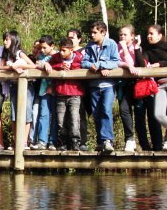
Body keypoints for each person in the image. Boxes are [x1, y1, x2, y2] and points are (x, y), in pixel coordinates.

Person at [140, 24, 167, 152]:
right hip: (159, 85)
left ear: (160, 35)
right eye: (148, 34)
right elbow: (143, 63)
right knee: (158, 114)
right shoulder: (147, 49)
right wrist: (137, 48)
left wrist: (160, 64)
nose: (149, 36)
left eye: (151, 34)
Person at [82, 21, 120, 153]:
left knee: (106, 110)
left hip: (108, 85)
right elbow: (84, 62)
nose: (92, 35)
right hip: (93, 85)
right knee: (96, 113)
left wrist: (101, 65)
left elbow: (116, 61)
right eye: (91, 32)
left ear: (103, 32)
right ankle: (100, 141)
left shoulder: (111, 44)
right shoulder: (89, 46)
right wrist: (92, 66)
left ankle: (107, 140)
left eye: (95, 32)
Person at [47, 37, 85, 150]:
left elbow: (85, 66)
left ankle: (75, 142)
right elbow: (49, 65)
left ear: (71, 50)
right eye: (60, 50)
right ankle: (62, 142)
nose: (61, 53)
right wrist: (60, 67)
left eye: (64, 50)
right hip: (60, 93)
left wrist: (72, 67)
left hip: (75, 92)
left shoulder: (79, 57)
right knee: (60, 119)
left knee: (74, 118)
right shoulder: (56, 58)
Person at [3, 30, 35, 149]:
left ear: (14, 40)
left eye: (7, 39)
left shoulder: (20, 53)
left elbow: (32, 65)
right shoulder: (6, 54)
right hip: (14, 86)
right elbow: (1, 66)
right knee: (14, 114)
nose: (4, 42)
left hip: (27, 86)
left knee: (26, 112)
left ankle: (24, 142)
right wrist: (11, 66)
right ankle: (16, 141)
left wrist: (19, 65)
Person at [117, 25, 141, 152]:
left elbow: (134, 64)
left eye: (125, 34)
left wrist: (125, 49)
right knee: (124, 110)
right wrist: (125, 65)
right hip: (123, 84)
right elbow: (116, 62)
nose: (122, 37)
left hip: (137, 84)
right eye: (121, 34)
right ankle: (129, 139)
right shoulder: (116, 47)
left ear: (132, 36)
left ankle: (144, 143)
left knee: (139, 114)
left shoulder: (136, 48)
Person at [31, 35, 57, 150]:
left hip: (56, 91)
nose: (42, 50)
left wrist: (52, 85)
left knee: (55, 116)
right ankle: (42, 141)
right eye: (41, 47)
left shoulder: (57, 55)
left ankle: (52, 141)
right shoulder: (41, 56)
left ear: (52, 46)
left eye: (45, 48)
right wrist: (45, 64)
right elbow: (37, 64)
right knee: (43, 115)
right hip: (44, 91)